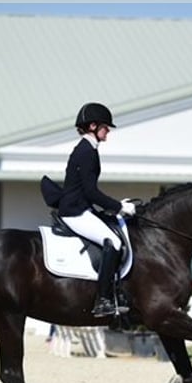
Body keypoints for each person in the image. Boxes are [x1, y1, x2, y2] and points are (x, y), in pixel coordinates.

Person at [41, 102, 136, 317]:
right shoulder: (86, 152)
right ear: (93, 126)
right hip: (75, 212)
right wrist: (119, 207)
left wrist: (114, 206)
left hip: (81, 208)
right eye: (105, 126)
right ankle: (103, 300)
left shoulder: (88, 150)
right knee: (114, 242)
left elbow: (88, 192)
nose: (108, 130)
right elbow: (91, 191)